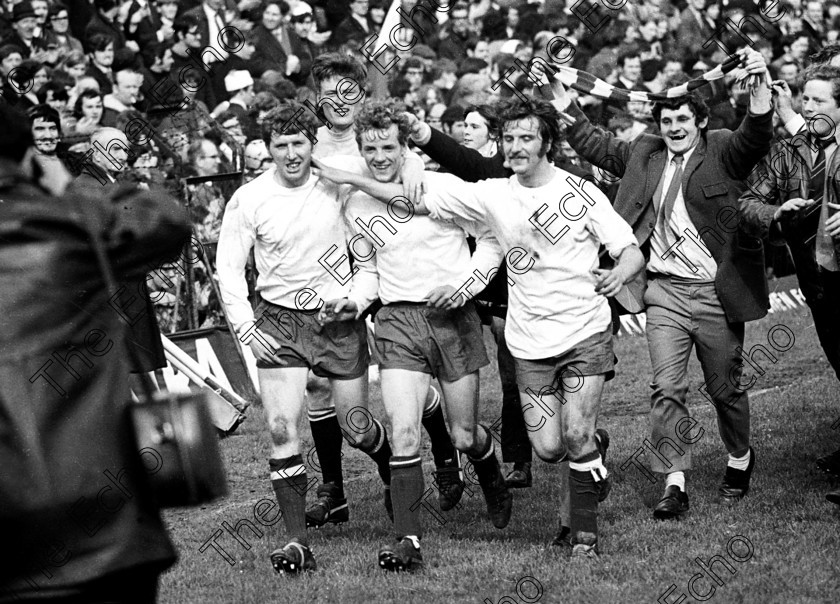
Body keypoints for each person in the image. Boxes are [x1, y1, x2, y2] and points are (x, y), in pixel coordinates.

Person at [316, 96, 644, 559]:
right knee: (547, 448)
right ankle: (589, 459)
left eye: (526, 137)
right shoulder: (491, 192)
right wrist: (354, 292)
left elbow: (629, 249)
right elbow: (407, 207)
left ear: (547, 143)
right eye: (509, 138)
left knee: (560, 436)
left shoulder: (580, 192)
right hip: (509, 335)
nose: (515, 146)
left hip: (579, 327)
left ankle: (583, 538)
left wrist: (619, 272)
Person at [554, 46, 774, 519]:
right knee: (666, 388)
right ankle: (674, 481)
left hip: (716, 292)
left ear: (698, 121)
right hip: (664, 292)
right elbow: (592, 142)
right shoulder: (645, 152)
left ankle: (740, 457)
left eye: (682, 120)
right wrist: (558, 97)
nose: (674, 128)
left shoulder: (722, 148)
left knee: (724, 389)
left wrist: (758, 90)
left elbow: (755, 135)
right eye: (667, 120)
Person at [0, 102, 188, 602]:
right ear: (29, 158)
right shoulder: (73, 218)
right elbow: (165, 219)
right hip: (108, 526)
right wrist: (67, 186)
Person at [318, 99, 509, 571]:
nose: (379, 156)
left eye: (388, 146)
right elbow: (366, 270)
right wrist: (355, 301)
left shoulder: (439, 186)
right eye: (370, 148)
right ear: (360, 150)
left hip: (453, 319)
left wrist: (464, 286)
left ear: (405, 146)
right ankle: (408, 540)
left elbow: (491, 238)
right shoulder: (355, 202)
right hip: (398, 321)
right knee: (404, 433)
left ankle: (488, 469)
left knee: (463, 434)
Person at [215, 101, 393, 575]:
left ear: (312, 144)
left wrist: (356, 299)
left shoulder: (339, 184)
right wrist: (247, 330)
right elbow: (228, 271)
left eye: (299, 143)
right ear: (267, 150)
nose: (291, 154)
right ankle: (296, 543)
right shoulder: (249, 199)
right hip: (278, 321)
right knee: (279, 427)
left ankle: (390, 465)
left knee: (357, 429)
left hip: (337, 320)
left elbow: (370, 255)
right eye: (281, 145)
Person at [303, 52, 463, 530]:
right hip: (318, 268)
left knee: (405, 378)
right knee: (316, 383)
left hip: (376, 266)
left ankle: (442, 449)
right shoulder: (306, 144)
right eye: (328, 93)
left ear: (361, 93)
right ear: (317, 99)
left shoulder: (379, 142)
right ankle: (334, 486)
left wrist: (411, 162)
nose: (339, 101)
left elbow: (409, 189)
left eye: (348, 90)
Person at [739, 64, 840, 502]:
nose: (809, 107)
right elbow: (748, 201)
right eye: (806, 99)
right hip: (818, 283)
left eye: (820, 100)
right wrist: (775, 213)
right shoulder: (789, 152)